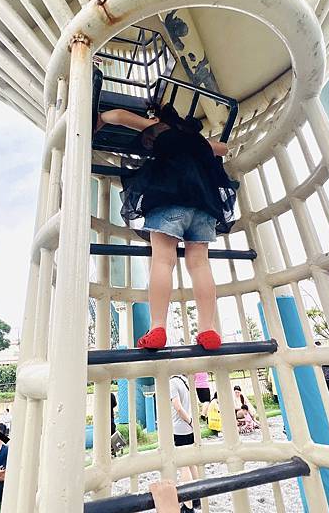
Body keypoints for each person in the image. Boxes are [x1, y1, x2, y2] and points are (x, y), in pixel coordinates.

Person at [97, 102, 238, 351]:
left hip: (169, 198)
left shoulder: (159, 127)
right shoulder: (195, 138)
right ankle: (208, 329)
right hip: (204, 205)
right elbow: (223, 148)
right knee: (200, 264)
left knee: (163, 261)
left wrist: (99, 120)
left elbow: (118, 115)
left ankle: (158, 326)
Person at [169, 375, 200, 512]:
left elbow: (178, 407)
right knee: (192, 463)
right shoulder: (186, 380)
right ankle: (198, 497)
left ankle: (188, 506)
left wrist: (189, 421)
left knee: (183, 466)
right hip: (189, 428)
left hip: (180, 428)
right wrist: (193, 423)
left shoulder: (172, 382)